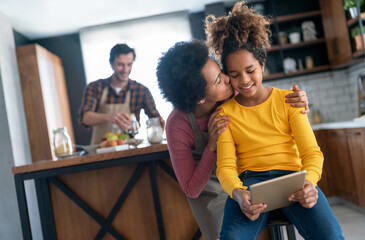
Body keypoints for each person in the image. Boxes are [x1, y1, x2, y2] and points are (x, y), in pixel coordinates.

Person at [205, 2, 344, 239]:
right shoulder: (224, 113)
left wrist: (310, 183)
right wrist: (238, 194)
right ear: (227, 76)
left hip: (295, 180)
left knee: (331, 236)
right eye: (235, 75)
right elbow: (226, 166)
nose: (245, 80)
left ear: (262, 65)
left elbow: (312, 153)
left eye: (251, 70)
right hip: (250, 184)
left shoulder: (289, 101)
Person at [156, 40, 310, 240]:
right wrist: (211, 146)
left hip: (245, 177)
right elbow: (191, 190)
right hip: (210, 190)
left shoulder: (233, 95)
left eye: (221, 72)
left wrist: (298, 99)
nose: (229, 79)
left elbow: (267, 100)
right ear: (199, 97)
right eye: (218, 80)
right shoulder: (178, 125)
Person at [78, 43, 165, 144]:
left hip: (129, 149)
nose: (125, 70)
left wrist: (160, 123)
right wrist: (110, 117)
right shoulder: (95, 87)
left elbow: (154, 118)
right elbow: (85, 117)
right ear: (111, 64)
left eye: (129, 64)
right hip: (100, 150)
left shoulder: (141, 91)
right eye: (120, 64)